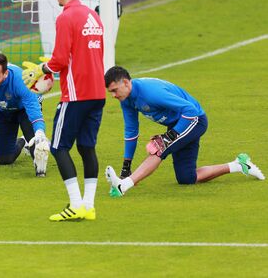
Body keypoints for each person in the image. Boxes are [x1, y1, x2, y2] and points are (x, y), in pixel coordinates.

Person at [103, 66, 265, 197]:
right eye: (111, 92)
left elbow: (191, 110)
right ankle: (239, 165)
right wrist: (126, 165)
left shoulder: (150, 92)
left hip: (194, 120)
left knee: (160, 148)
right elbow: (131, 131)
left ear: (126, 82)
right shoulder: (126, 99)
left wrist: (170, 136)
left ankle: (123, 186)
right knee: (186, 178)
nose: (113, 95)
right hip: (178, 123)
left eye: (115, 90)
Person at [23, 0, 106, 221]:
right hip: (97, 92)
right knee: (87, 147)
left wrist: (40, 70)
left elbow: (59, 60)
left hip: (76, 95)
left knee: (59, 147)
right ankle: (88, 206)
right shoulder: (94, 16)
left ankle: (75, 204)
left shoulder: (66, 17)